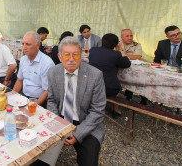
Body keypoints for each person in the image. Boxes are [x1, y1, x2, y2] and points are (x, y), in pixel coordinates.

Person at [47, 36, 106, 166]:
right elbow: (51, 100)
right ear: (60, 56)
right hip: (60, 119)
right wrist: (58, 126)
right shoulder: (53, 72)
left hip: (86, 122)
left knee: (89, 162)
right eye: (67, 55)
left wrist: (78, 134)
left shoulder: (95, 75)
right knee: (39, 155)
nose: (72, 60)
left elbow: (98, 110)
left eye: (76, 55)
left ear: (82, 55)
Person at [153, 25, 182, 134]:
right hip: (164, 73)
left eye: (179, 34)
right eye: (173, 35)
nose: (177, 36)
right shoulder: (162, 44)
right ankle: (149, 103)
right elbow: (156, 60)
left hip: (181, 74)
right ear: (168, 37)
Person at [89, 33, 131, 118]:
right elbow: (127, 64)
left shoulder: (93, 50)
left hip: (91, 85)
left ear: (102, 41)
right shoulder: (116, 54)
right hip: (108, 88)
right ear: (116, 44)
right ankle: (115, 109)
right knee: (117, 90)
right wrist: (119, 50)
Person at [13, 32, 55, 107]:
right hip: (23, 96)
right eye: (23, 44)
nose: (24, 47)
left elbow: (47, 91)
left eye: (28, 44)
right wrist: (12, 97)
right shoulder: (23, 59)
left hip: (39, 100)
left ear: (37, 45)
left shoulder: (47, 63)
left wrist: (35, 105)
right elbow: (19, 80)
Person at [118, 29, 144, 103]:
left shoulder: (137, 45)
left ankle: (133, 95)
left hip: (133, 68)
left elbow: (138, 57)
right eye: (127, 36)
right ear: (122, 37)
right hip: (120, 67)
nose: (130, 38)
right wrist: (130, 56)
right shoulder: (117, 44)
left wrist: (122, 54)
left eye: (131, 35)